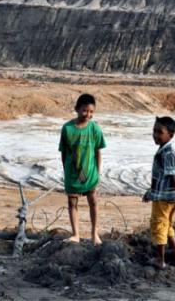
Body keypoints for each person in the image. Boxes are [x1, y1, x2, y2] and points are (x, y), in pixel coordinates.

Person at [59, 93, 106, 245]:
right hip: (72, 173)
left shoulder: (95, 129)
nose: (88, 114)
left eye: (91, 112)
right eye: (85, 110)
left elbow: (98, 151)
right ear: (77, 109)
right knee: (72, 204)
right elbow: (64, 152)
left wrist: (98, 173)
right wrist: (67, 172)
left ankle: (94, 234)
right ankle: (76, 234)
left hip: (91, 173)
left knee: (93, 202)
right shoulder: (67, 129)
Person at [143, 116, 175, 270]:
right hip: (164, 196)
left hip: (165, 198)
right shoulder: (164, 150)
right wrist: (150, 193)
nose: (155, 135)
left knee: (158, 225)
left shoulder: (167, 153)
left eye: (159, 132)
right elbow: (160, 177)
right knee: (166, 225)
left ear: (170, 135)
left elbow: (173, 174)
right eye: (154, 131)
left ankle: (160, 260)